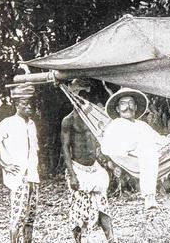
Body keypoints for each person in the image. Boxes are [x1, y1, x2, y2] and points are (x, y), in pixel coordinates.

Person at [0, 83, 40, 243]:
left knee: (30, 218)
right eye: (24, 103)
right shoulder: (8, 123)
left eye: (31, 103)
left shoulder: (31, 124)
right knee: (17, 217)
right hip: (18, 178)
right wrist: (3, 165)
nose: (29, 106)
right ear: (16, 104)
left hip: (33, 177)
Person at [61, 79, 115, 242]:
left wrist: (112, 162)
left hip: (94, 167)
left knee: (103, 207)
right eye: (78, 94)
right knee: (79, 212)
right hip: (78, 169)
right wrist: (72, 175)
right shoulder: (68, 120)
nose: (82, 98)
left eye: (84, 94)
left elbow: (105, 139)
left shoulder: (94, 116)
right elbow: (65, 149)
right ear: (72, 97)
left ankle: (111, 239)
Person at [101, 88, 170, 210]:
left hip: (152, 154)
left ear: (135, 107)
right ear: (118, 109)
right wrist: (133, 145)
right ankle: (149, 197)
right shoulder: (115, 125)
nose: (127, 107)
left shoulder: (142, 125)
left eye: (131, 103)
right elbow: (107, 147)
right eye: (123, 103)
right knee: (148, 152)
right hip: (131, 157)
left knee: (153, 149)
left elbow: (158, 139)